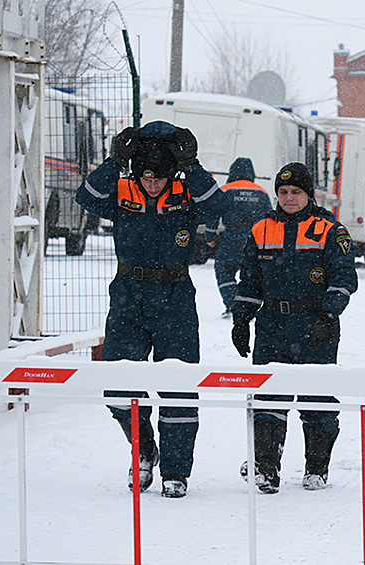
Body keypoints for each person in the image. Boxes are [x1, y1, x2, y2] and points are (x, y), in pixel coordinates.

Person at [76, 121, 227, 498]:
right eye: (146, 176)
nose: (153, 184)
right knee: (116, 386)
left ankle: (176, 472)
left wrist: (191, 167)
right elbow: (86, 197)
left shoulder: (184, 191)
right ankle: (143, 450)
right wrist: (114, 161)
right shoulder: (123, 188)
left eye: (160, 177)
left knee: (178, 388)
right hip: (128, 293)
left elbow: (218, 206)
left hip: (174, 295)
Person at [231, 162, 357, 494]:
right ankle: (266, 467)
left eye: (296, 192)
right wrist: (241, 318)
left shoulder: (330, 229)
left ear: (308, 194)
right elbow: (249, 279)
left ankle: (316, 467)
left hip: (315, 323)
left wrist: (329, 316)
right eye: (283, 192)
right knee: (268, 396)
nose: (289, 198)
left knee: (316, 398)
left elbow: (344, 278)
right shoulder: (260, 229)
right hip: (272, 323)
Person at [204, 157, 272, 316]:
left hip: (232, 237)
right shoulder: (261, 192)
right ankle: (249, 305)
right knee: (251, 274)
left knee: (225, 270)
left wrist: (210, 236)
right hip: (255, 238)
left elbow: (212, 215)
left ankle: (232, 303)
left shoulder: (225, 189)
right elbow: (270, 218)